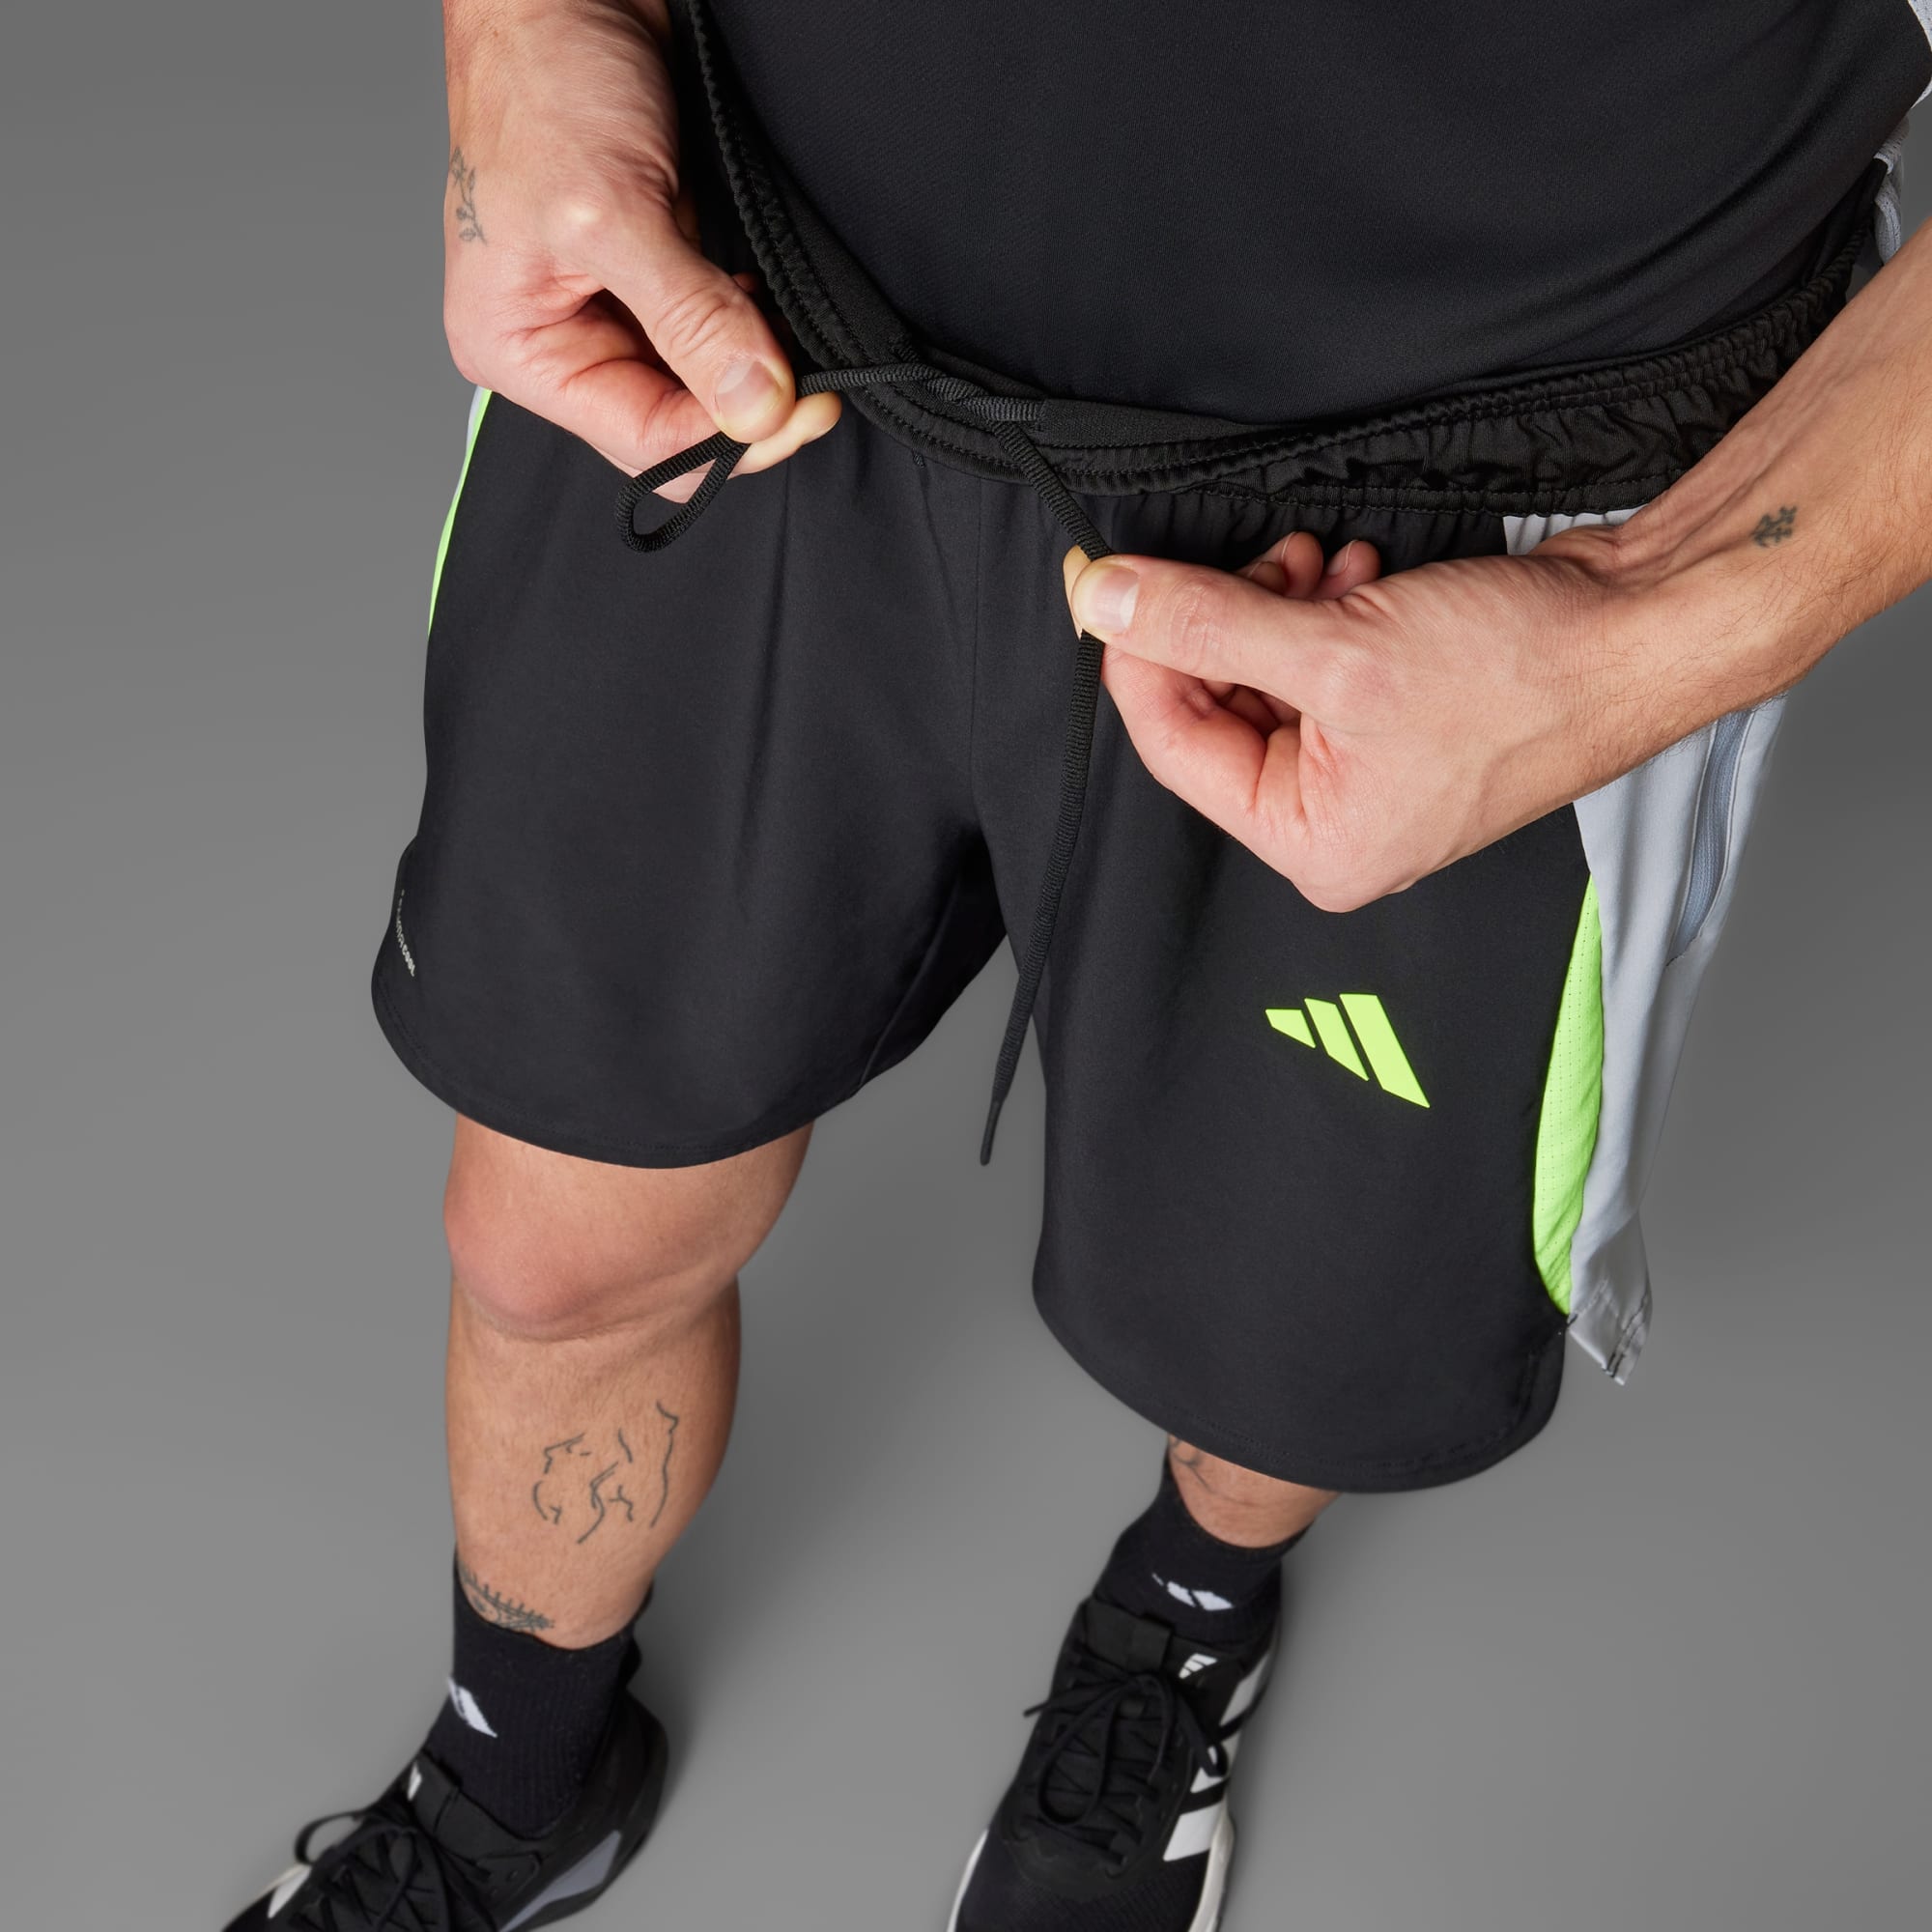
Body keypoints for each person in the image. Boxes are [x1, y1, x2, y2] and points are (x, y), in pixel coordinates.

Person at [222, 2, 1932, 1927]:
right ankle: (511, 1766)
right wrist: (529, 26)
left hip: (1457, 507)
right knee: (555, 1239)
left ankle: (1183, 1619)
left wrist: (1648, 616)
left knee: (1281, 1338)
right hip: (751, 306)